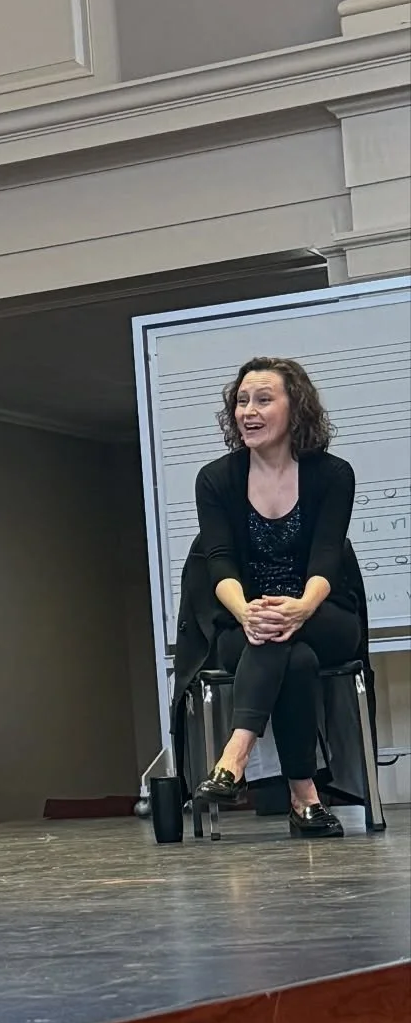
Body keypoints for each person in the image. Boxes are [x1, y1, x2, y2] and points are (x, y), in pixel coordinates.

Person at [189, 357, 359, 837]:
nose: (249, 411)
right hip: (243, 621)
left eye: (263, 399)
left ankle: (235, 753)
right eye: (242, 401)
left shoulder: (332, 475)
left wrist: (302, 607)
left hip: (322, 611)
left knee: (288, 635)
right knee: (292, 655)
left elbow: (328, 556)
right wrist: (246, 611)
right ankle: (305, 799)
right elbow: (216, 561)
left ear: (295, 409)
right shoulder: (217, 479)